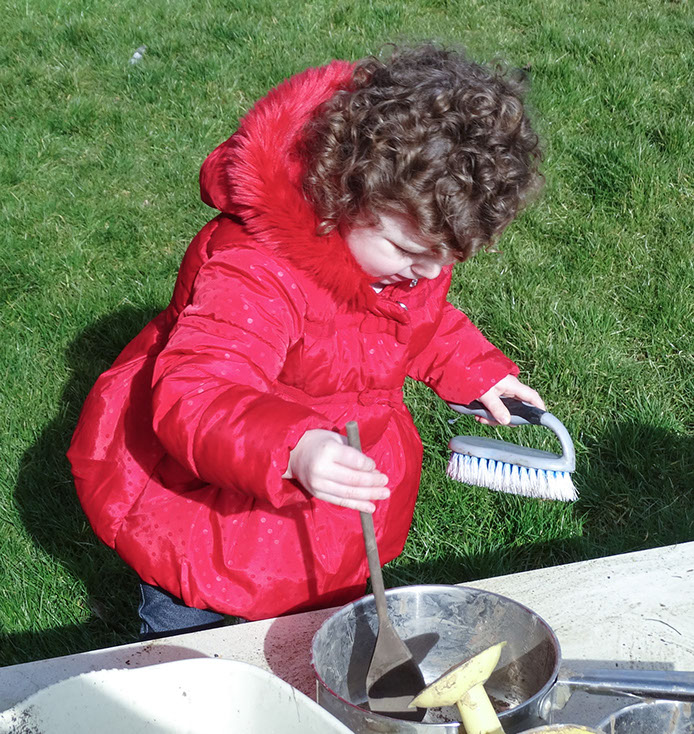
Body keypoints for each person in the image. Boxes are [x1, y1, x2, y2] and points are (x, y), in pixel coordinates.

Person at [68, 43, 545, 638]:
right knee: (200, 653)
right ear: (344, 191)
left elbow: (415, 321)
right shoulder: (256, 272)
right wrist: (293, 448)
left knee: (314, 639)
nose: (425, 274)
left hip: (330, 497)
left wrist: (474, 370)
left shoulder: (393, 259)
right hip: (219, 514)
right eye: (408, 251)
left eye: (445, 258)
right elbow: (197, 394)